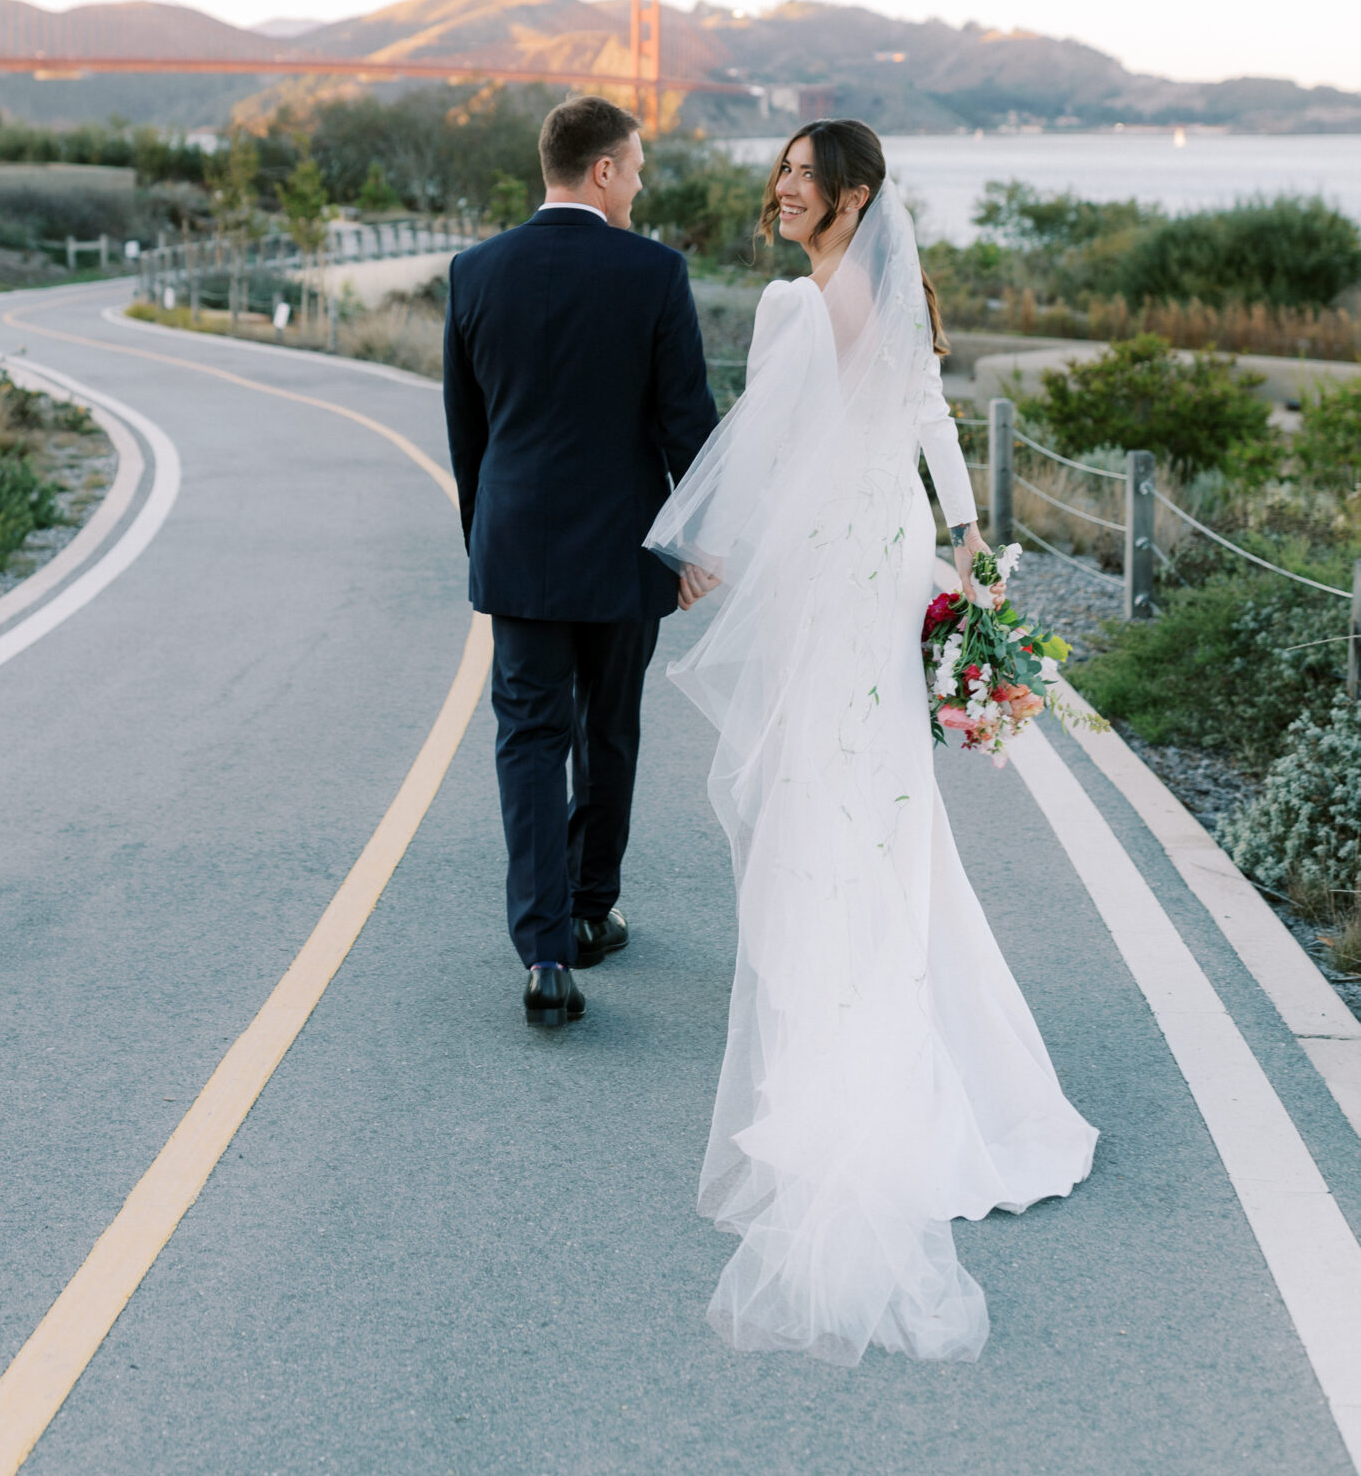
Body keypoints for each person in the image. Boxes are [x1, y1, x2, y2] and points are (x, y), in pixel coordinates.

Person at [649, 120, 1096, 1362]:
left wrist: (958, 543)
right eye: (780, 172)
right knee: (853, 798)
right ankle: (904, 1026)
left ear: (851, 196)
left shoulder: (802, 312)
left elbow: (808, 443)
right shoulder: (853, 301)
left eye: (803, 176)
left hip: (855, 571)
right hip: (870, 557)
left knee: (845, 796)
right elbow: (917, 428)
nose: (781, 189)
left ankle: (857, 1038)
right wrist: (954, 533)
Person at [443, 95, 717, 1028]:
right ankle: (593, 908)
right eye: (634, 169)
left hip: (517, 548)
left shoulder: (474, 271)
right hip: (624, 551)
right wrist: (692, 547)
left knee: (527, 742)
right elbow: (690, 430)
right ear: (602, 170)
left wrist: (487, 538)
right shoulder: (654, 273)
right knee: (609, 732)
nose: (638, 185)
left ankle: (546, 955)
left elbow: (467, 435)